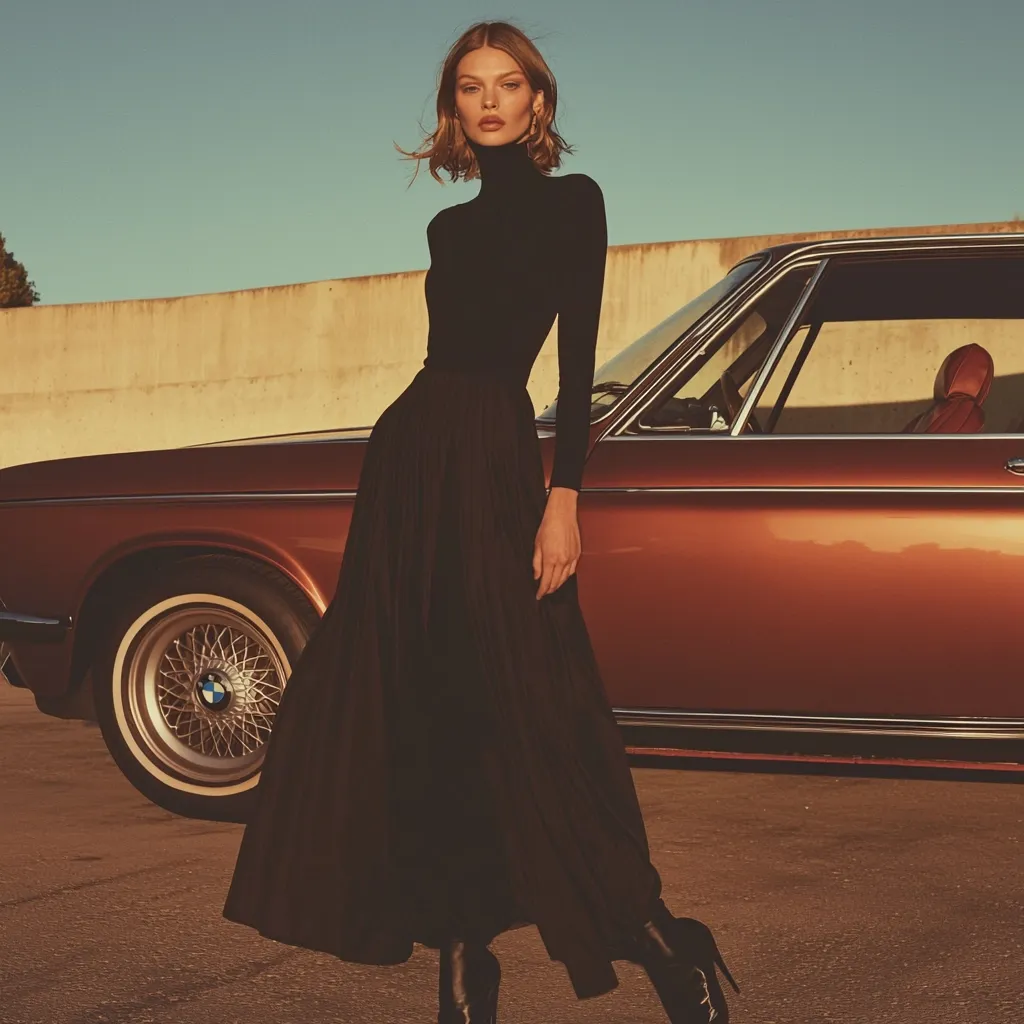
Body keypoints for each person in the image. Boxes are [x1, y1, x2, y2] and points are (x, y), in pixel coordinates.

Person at [222, 20, 739, 1024]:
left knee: (536, 708)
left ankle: (661, 940)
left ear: (537, 101)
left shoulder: (574, 202)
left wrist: (564, 496)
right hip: (411, 464)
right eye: (470, 86)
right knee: (426, 707)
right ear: (452, 107)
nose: (490, 100)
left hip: (499, 463)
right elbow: (443, 359)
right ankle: (462, 968)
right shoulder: (446, 230)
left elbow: (577, 365)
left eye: (508, 84)